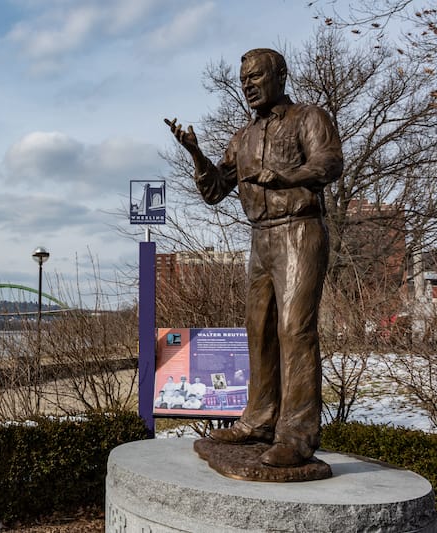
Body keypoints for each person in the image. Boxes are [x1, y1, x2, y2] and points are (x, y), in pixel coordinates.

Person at [165, 48, 343, 467]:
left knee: (294, 329)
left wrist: (289, 176)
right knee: (258, 329)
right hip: (261, 237)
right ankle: (260, 420)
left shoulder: (308, 117)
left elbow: (329, 162)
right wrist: (195, 154)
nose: (248, 84)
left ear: (280, 77)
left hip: (299, 228)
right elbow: (214, 192)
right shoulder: (242, 138)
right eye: (244, 78)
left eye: (256, 76)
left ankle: (297, 435)